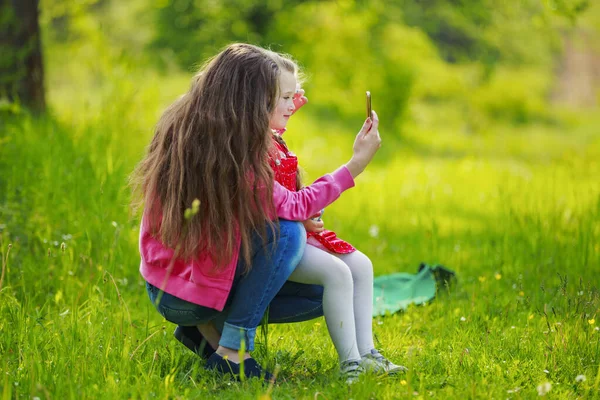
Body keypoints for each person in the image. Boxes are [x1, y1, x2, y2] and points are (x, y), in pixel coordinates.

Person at [131, 43, 382, 381]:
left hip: (179, 285)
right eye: (284, 98)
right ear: (254, 103)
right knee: (289, 235)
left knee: (335, 280)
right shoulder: (237, 157)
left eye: (293, 97)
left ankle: (205, 334)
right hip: (188, 294)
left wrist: (284, 104)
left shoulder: (205, 127)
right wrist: (355, 165)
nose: (292, 105)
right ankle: (231, 351)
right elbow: (292, 205)